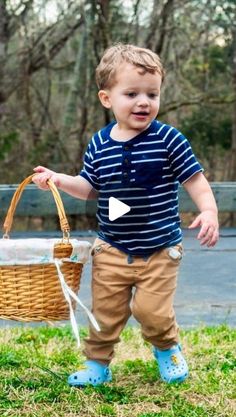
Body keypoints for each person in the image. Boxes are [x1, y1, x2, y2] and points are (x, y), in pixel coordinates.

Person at [33, 43, 219, 386]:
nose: (144, 102)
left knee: (150, 310)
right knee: (105, 310)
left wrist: (208, 210)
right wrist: (59, 179)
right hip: (111, 248)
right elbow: (88, 187)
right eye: (131, 93)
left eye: (152, 93)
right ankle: (97, 363)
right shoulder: (99, 143)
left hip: (160, 249)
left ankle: (167, 347)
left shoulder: (168, 139)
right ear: (107, 98)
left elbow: (195, 180)